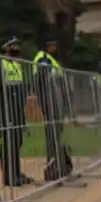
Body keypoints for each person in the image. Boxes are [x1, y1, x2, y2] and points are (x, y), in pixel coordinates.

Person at [0, 37, 34, 187]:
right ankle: (8, 175)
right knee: (9, 141)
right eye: (14, 45)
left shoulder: (17, 64)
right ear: (6, 47)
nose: (17, 48)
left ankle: (16, 172)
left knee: (17, 141)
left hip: (17, 108)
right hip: (6, 108)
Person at [33, 37, 72, 181]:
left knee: (57, 132)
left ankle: (59, 161)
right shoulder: (43, 58)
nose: (56, 47)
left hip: (56, 100)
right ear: (49, 45)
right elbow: (44, 81)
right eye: (54, 45)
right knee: (52, 132)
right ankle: (53, 163)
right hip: (50, 101)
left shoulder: (50, 58)